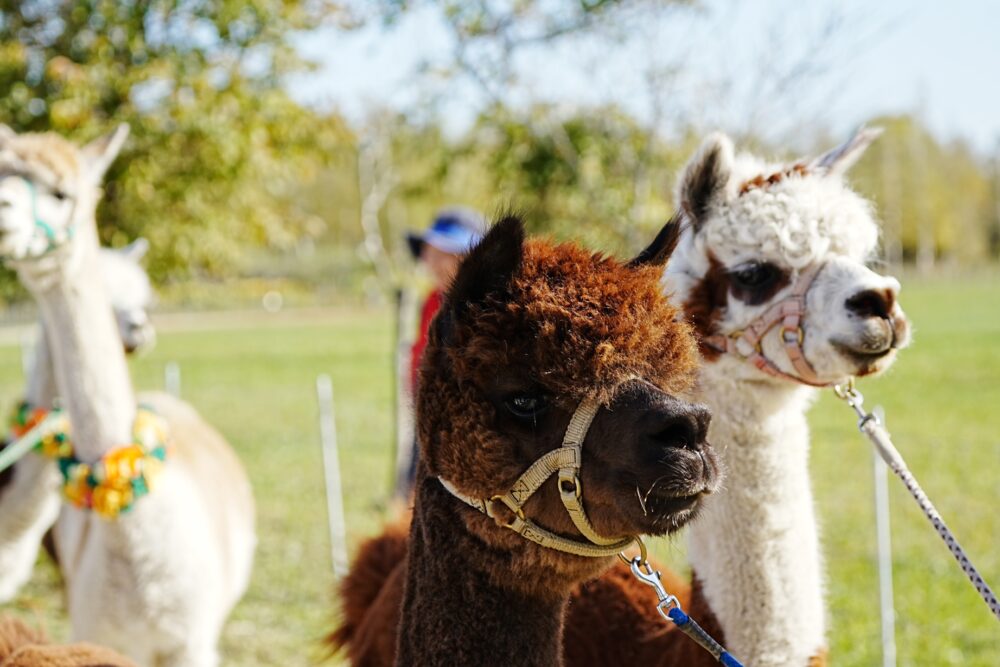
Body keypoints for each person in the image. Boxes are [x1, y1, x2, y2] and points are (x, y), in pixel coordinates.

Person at [398, 207, 485, 497]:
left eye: (440, 253)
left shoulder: (485, 309)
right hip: (428, 416)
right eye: (428, 253)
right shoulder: (433, 301)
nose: (429, 261)